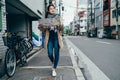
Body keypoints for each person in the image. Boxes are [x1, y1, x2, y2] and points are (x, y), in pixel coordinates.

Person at [38, 4, 64, 77]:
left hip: (56, 37)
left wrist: (61, 26)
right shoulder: (46, 19)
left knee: (56, 53)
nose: (52, 9)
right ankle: (54, 62)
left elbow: (61, 29)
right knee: (49, 53)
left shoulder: (58, 17)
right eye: (51, 8)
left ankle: (54, 69)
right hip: (49, 37)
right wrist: (40, 27)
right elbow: (43, 30)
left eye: (53, 8)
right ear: (48, 10)